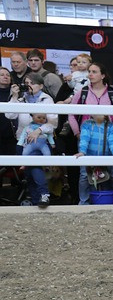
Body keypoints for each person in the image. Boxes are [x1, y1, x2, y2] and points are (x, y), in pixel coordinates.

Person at [70, 63, 113, 205]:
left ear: (103, 75)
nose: (90, 74)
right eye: (89, 71)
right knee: (84, 174)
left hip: (109, 138)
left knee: (112, 173)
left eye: (94, 71)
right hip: (86, 139)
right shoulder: (82, 92)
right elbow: (70, 113)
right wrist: (77, 132)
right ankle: (84, 202)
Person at [8, 73, 57, 207]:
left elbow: (53, 123)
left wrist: (39, 130)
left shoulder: (46, 99)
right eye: (26, 83)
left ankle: (44, 195)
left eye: (32, 83)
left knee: (35, 168)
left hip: (40, 141)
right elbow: (9, 114)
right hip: (22, 141)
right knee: (29, 174)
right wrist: (14, 96)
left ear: (40, 85)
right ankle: (37, 201)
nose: (28, 86)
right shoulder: (21, 99)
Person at [74, 102, 113, 202]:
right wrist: (82, 152)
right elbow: (84, 139)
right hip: (89, 156)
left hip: (108, 156)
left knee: (112, 176)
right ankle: (84, 200)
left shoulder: (110, 126)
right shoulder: (87, 125)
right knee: (84, 176)